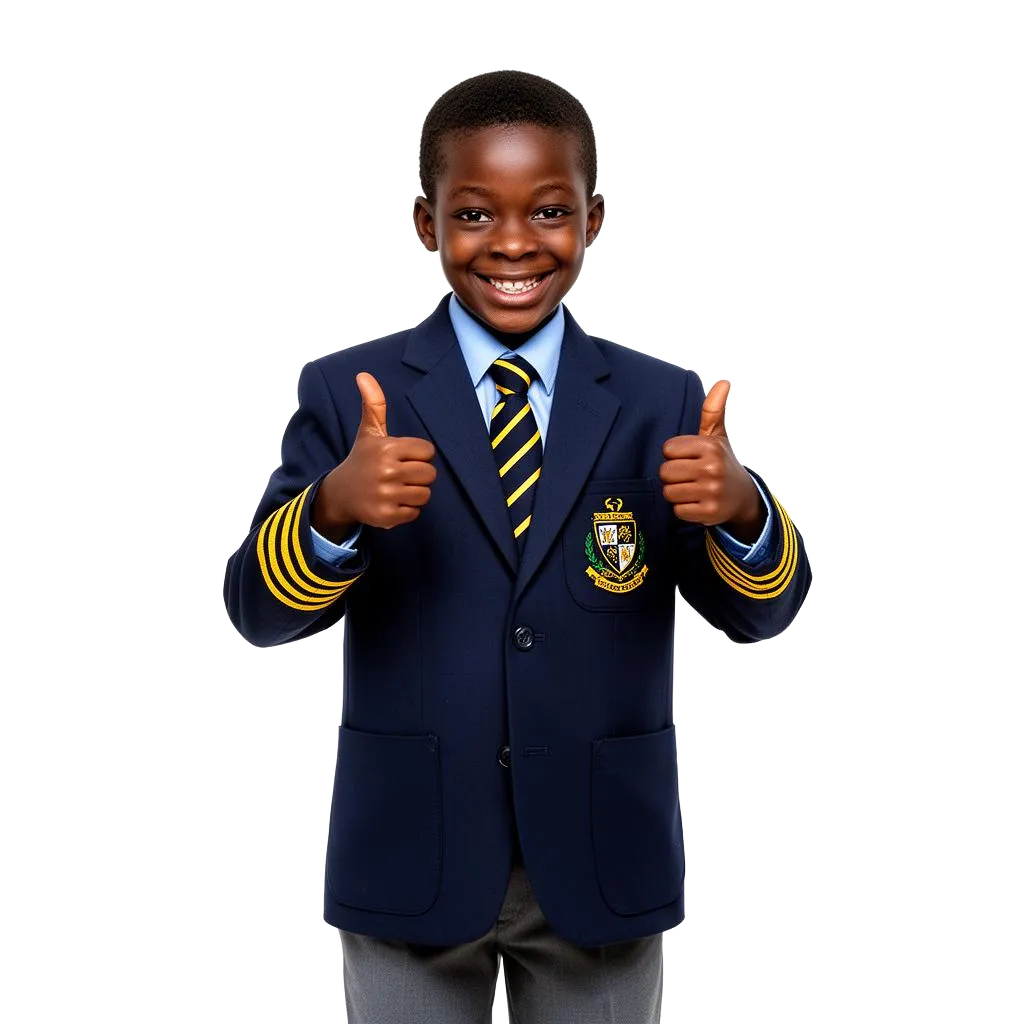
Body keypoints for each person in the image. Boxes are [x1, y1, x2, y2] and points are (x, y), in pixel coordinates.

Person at [222, 68, 813, 1024]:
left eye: (548, 210)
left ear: (594, 218)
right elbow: (257, 613)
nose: (511, 243)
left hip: (601, 850)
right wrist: (331, 509)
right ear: (425, 223)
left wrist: (741, 509)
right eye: (472, 214)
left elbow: (761, 615)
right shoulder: (352, 394)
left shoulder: (659, 402)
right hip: (411, 847)